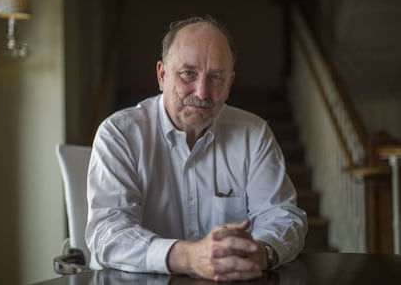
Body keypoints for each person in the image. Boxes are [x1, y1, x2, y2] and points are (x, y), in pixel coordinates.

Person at [85, 15, 307, 281]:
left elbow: (283, 216)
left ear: (230, 83)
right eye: (188, 74)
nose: (202, 92)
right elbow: (108, 232)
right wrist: (189, 257)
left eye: (216, 77)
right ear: (162, 75)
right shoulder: (119, 134)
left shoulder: (253, 133)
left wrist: (262, 251)